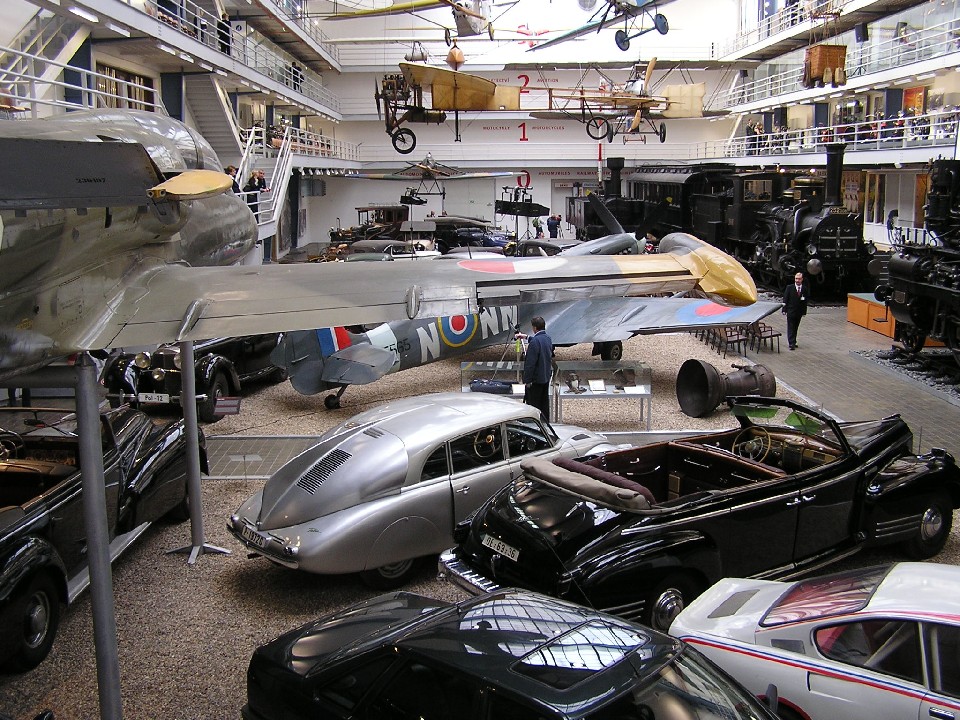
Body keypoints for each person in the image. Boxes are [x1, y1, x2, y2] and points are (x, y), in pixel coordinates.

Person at [518, 316, 553, 421]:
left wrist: (527, 380)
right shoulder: (547, 338)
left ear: (534, 328)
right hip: (545, 377)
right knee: (544, 404)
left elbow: (530, 364)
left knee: (534, 406)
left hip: (535, 380)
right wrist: (526, 337)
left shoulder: (535, 342)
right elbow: (539, 342)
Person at [783, 271, 809, 350]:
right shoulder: (789, 288)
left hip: (799, 312)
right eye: (796, 279)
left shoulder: (804, 289)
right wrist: (784, 309)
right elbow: (785, 299)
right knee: (791, 327)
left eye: (799, 279)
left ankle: (794, 341)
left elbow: (805, 301)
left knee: (795, 327)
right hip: (791, 311)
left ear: (802, 279)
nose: (797, 280)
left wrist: (804, 312)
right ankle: (791, 343)